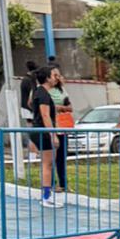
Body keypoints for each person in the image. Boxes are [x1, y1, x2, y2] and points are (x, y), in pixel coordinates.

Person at [29, 65, 62, 208]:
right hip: (42, 131)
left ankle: (46, 195)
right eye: (54, 75)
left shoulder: (39, 91)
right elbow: (45, 115)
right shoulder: (42, 93)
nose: (57, 78)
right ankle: (46, 197)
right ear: (47, 78)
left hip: (39, 130)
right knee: (47, 164)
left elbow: (31, 103)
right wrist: (53, 134)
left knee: (47, 164)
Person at [48, 64, 71, 196]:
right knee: (50, 157)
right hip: (51, 127)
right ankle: (50, 183)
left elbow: (70, 107)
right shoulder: (44, 90)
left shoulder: (62, 90)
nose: (57, 78)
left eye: (58, 75)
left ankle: (63, 183)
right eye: (54, 75)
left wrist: (58, 107)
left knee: (62, 157)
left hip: (62, 126)